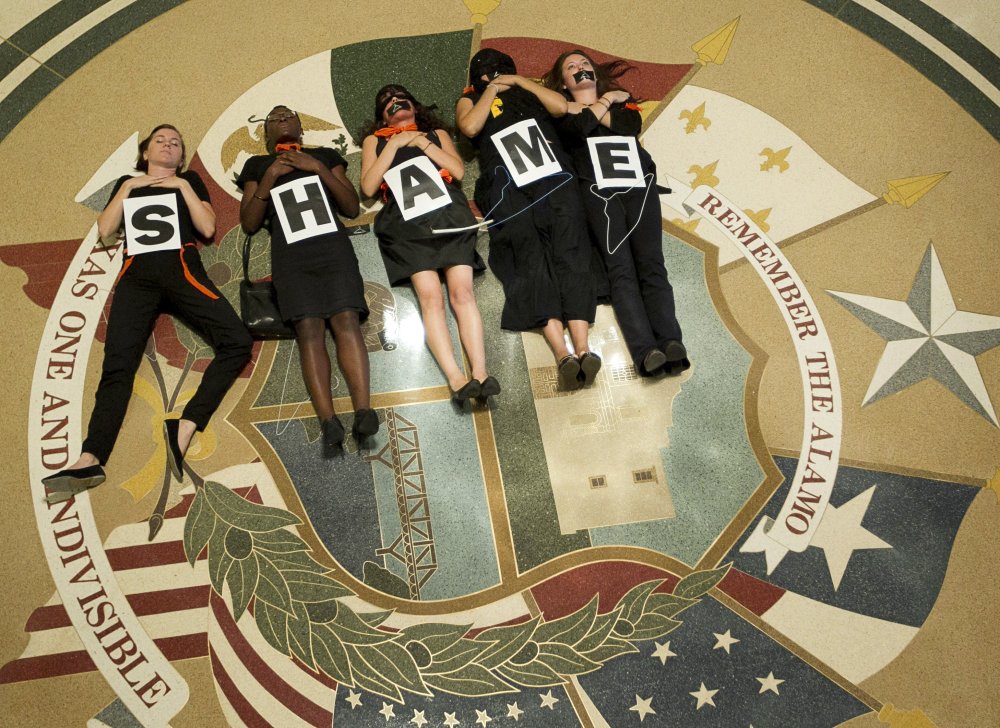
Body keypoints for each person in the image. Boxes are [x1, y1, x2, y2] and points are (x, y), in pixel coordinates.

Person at [42, 124, 253, 502]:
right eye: (160, 140)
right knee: (117, 366)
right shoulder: (128, 182)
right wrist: (127, 188)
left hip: (182, 270)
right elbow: (106, 230)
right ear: (145, 153)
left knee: (237, 340)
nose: (168, 145)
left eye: (175, 143)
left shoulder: (188, 180)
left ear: (181, 157)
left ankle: (186, 425)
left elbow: (207, 226)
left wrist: (182, 185)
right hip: (135, 278)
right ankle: (91, 457)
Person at [456, 48, 601, 391]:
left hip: (552, 173)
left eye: (500, 70)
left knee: (571, 250)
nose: (493, 73)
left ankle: (584, 349)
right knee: (528, 259)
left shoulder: (530, 90)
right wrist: (490, 90)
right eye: (485, 72)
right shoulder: (470, 99)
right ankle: (562, 354)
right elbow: (470, 126)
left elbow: (561, 107)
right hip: (506, 181)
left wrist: (520, 82)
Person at [237, 106, 377, 455]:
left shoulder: (324, 156)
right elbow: (250, 223)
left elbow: (350, 206)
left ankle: (364, 410)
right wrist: (269, 177)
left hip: (332, 249)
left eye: (289, 116)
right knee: (308, 330)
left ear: (301, 127)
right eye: (274, 118)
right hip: (291, 258)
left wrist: (316, 168)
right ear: (266, 134)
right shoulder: (257, 166)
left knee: (347, 321)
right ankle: (328, 421)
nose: (282, 120)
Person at [543, 50, 689, 376]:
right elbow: (577, 129)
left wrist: (604, 104)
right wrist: (607, 98)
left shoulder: (623, 106)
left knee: (652, 263)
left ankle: (670, 341)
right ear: (564, 83)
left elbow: (627, 127)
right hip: (597, 193)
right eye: (571, 67)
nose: (580, 68)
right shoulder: (562, 111)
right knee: (620, 268)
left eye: (584, 64)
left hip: (638, 184)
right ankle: (645, 351)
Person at [359, 84, 498, 405]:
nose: (394, 101)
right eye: (386, 101)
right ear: (381, 115)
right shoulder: (376, 140)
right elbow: (367, 186)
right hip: (405, 220)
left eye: (400, 96)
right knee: (430, 297)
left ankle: (481, 373)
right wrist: (393, 144)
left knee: (462, 293)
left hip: (448, 211)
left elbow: (458, 170)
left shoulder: (435, 133)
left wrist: (421, 141)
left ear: (415, 104)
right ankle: (456, 379)